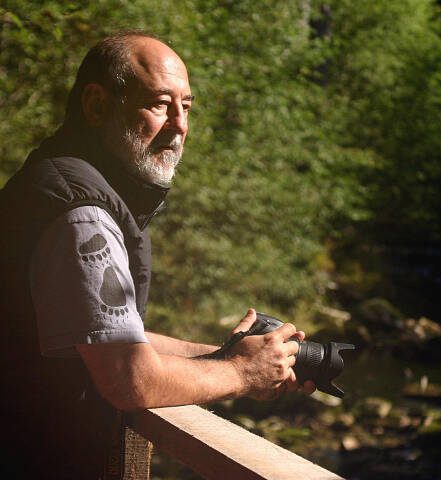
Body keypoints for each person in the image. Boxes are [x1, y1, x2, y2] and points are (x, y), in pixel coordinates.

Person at [0, 30, 314, 479]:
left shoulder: (53, 181)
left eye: (186, 107)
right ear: (97, 106)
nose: (180, 125)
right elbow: (128, 376)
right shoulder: (83, 214)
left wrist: (228, 355)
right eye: (161, 104)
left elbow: (109, 339)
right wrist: (242, 374)